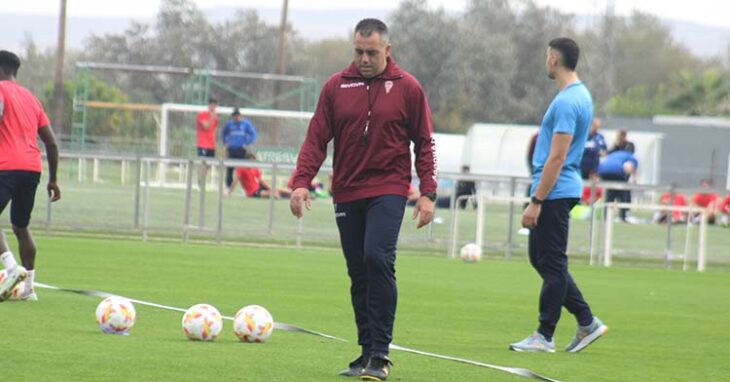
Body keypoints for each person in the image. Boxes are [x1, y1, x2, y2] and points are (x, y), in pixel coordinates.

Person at [289, 18, 437, 380]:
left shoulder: (408, 88)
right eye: (358, 51)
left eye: (371, 52)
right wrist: (301, 182)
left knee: (377, 258)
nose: (364, 58)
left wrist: (428, 192)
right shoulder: (335, 87)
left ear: (387, 49)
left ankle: (382, 355)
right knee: (358, 273)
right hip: (347, 191)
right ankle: (366, 352)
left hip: (389, 188)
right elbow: (315, 139)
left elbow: (425, 142)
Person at [512, 38, 607, 353]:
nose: (545, 60)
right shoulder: (580, 96)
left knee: (551, 262)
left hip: (554, 191)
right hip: (557, 188)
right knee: (540, 259)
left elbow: (557, 157)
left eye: (546, 55)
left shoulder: (568, 101)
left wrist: (537, 200)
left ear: (554, 58)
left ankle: (544, 335)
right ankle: (586, 320)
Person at [0, 50, 61, 302]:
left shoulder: (1, 90)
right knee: (21, 226)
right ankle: (29, 290)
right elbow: (52, 143)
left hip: (6, 165)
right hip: (32, 168)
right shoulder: (32, 99)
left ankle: (12, 269)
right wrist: (53, 179)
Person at [222, 108, 257, 194]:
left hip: (241, 150)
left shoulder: (245, 124)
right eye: (234, 116)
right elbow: (223, 133)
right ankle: (228, 186)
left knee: (243, 170)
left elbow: (253, 134)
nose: (236, 118)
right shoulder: (230, 124)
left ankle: (244, 188)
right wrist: (225, 143)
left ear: (240, 116)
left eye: (237, 116)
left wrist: (247, 143)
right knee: (230, 169)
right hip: (232, 149)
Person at [598, 150, 638, 222]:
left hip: (602, 171)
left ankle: (606, 216)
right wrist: (634, 180)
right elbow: (629, 167)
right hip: (616, 171)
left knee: (609, 194)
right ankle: (623, 216)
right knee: (623, 194)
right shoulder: (631, 157)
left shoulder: (615, 154)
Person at [195, 98, 218, 189]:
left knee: (209, 163)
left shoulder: (216, 118)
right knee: (202, 162)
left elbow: (213, 130)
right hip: (203, 144)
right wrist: (212, 117)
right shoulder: (202, 115)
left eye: (214, 105)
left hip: (211, 144)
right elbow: (206, 126)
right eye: (211, 104)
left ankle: (202, 178)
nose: (213, 107)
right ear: (208, 105)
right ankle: (200, 182)